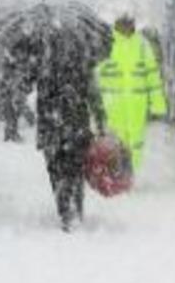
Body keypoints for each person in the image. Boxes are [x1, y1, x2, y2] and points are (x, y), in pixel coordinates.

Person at [35, 33, 106, 232]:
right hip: (77, 128)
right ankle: (76, 208)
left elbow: (41, 102)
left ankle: (65, 210)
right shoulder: (83, 67)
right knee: (75, 171)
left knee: (56, 172)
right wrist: (101, 124)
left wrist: (42, 132)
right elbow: (95, 99)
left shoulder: (45, 67)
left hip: (53, 129)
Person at [96, 14, 167, 170]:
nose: (127, 26)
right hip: (113, 104)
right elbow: (97, 74)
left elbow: (152, 76)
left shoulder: (142, 45)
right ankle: (117, 170)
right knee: (116, 138)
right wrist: (96, 102)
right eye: (124, 22)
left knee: (135, 141)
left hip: (136, 105)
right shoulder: (108, 43)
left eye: (129, 22)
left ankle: (131, 171)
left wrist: (158, 104)